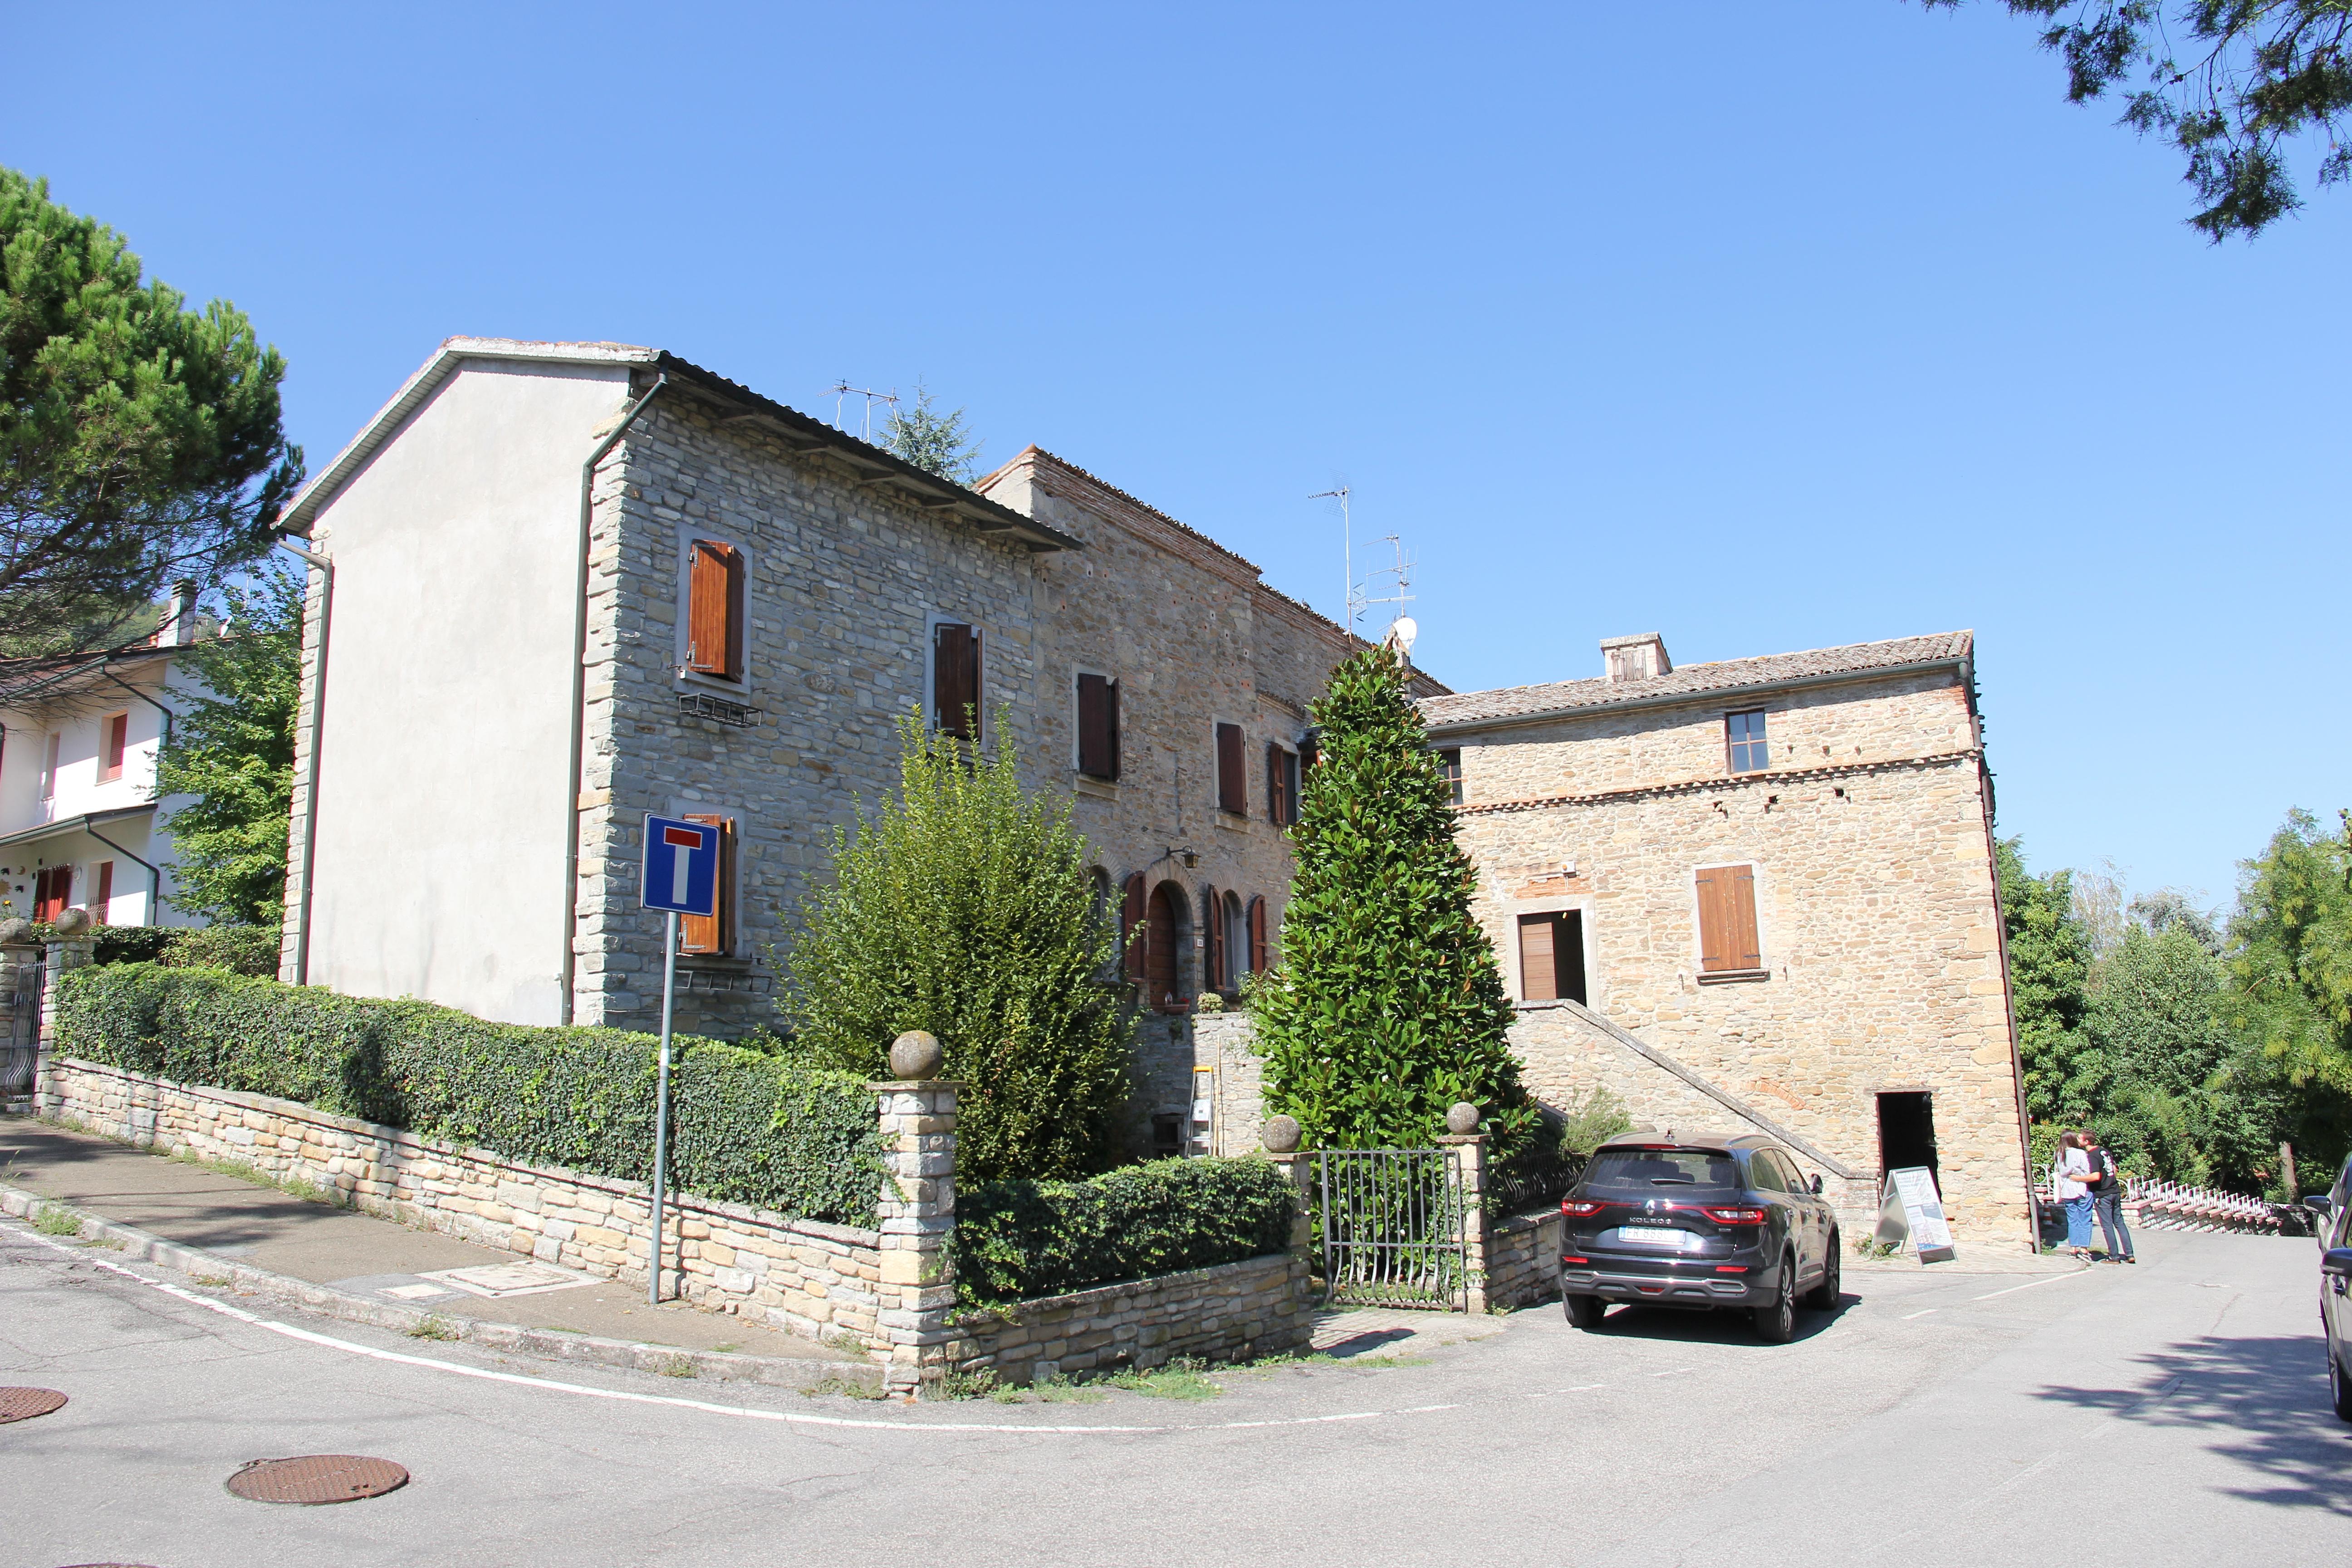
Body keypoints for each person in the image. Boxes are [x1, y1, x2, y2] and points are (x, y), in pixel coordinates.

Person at [2081, 1127, 2136, 1264]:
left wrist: (2077, 1178)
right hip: (2115, 1191)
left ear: (2086, 1141)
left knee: (2107, 1226)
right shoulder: (2104, 1151)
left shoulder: (2092, 1155)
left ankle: (2114, 1257)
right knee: (2119, 1223)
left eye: (2079, 1138)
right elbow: (2114, 1169)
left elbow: (2096, 1176)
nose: (2077, 1140)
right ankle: (2129, 1254)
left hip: (2103, 1194)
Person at [2053, 1130, 2096, 1261]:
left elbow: (2059, 1171)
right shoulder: (2080, 1153)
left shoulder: (2058, 1154)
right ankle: (2084, 1249)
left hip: (2067, 1189)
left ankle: (2073, 1249)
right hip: (2081, 1187)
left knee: (2072, 1220)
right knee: (2085, 1219)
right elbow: (2088, 1171)